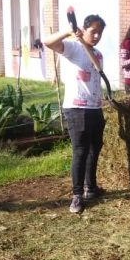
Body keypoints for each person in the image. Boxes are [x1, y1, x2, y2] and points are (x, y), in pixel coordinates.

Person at [43, 14, 107, 214]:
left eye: (100, 32)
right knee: (80, 150)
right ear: (84, 29)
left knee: (94, 148)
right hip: (77, 109)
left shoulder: (97, 54)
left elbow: (95, 82)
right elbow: (47, 42)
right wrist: (69, 31)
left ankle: (91, 188)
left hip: (95, 108)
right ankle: (77, 196)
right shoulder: (73, 48)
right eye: (93, 31)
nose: (96, 35)